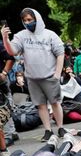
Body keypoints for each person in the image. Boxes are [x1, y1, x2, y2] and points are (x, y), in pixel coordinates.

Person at [1, 8, 67, 142]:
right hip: (32, 77)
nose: (27, 22)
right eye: (24, 20)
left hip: (49, 76)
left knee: (55, 103)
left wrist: (57, 74)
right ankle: (48, 130)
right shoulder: (21, 36)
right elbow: (12, 51)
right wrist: (5, 38)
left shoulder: (50, 35)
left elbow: (60, 54)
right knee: (40, 105)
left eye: (30, 20)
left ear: (37, 19)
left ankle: (61, 128)